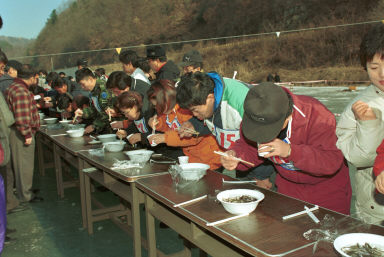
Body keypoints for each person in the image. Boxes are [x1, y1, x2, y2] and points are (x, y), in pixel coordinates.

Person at [221, 83, 351, 214]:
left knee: (331, 230)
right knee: (288, 231)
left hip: (326, 191)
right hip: (289, 188)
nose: (263, 136)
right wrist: (237, 156)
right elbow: (249, 147)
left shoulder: (317, 115)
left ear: (288, 116)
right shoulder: (256, 114)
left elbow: (331, 161)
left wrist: (290, 151)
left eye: (269, 130)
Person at [176, 72, 275, 186]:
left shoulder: (242, 101)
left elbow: (263, 139)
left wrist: (262, 175)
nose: (194, 114)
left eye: (196, 110)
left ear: (210, 98)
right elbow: (215, 122)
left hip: (261, 164)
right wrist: (194, 124)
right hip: (238, 159)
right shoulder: (207, 96)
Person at [336, 23, 384, 225]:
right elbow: (357, 159)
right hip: (377, 206)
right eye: (374, 67)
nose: (382, 74)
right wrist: (368, 126)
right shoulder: (358, 107)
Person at [147, 80, 222, 170]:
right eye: (154, 106)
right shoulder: (168, 111)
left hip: (209, 157)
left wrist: (165, 138)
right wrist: (158, 124)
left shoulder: (185, 110)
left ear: (166, 101)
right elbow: (169, 126)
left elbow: (192, 136)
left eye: (158, 105)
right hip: (192, 157)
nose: (156, 108)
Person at [5, 64, 42, 203]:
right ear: (31, 78)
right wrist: (27, 134)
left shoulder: (14, 87)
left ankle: (24, 189)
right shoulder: (21, 91)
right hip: (21, 133)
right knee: (24, 165)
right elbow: (21, 117)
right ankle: (25, 195)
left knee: (21, 164)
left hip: (17, 131)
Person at [74, 68, 113, 134]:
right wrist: (83, 113)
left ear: (90, 79)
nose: (82, 87)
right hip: (105, 127)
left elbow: (107, 112)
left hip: (112, 127)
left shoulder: (103, 88)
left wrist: (94, 126)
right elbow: (95, 109)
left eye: (83, 84)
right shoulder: (93, 91)